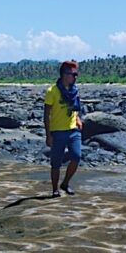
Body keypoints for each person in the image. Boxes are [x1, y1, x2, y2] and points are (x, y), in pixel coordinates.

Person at [44, 60, 83, 198]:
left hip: (73, 130)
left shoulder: (75, 90)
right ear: (64, 75)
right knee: (56, 162)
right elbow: (46, 114)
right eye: (72, 74)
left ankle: (65, 183)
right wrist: (48, 135)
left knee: (76, 157)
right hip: (57, 131)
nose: (74, 77)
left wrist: (78, 118)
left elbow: (76, 107)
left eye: (75, 74)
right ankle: (55, 189)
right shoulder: (52, 91)